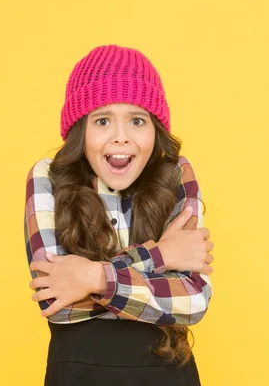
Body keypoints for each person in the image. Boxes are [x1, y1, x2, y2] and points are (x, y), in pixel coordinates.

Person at [24, 44, 214, 386]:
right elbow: (57, 300)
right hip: (77, 375)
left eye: (137, 120)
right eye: (102, 121)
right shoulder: (47, 177)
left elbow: (193, 300)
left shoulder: (177, 174)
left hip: (169, 374)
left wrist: (92, 278)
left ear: (155, 129)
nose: (121, 138)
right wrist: (162, 255)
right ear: (81, 130)